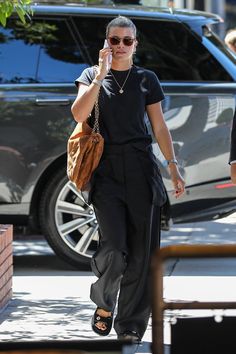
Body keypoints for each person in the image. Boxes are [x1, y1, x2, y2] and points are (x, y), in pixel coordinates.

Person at [71, 16, 185, 342]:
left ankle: (132, 325)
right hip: (105, 172)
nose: (119, 46)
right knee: (114, 248)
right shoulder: (91, 76)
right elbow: (79, 115)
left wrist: (173, 166)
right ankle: (104, 302)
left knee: (141, 255)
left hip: (141, 170)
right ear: (105, 43)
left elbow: (159, 127)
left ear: (136, 44)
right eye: (114, 40)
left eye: (126, 41)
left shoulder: (146, 79)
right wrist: (100, 76)